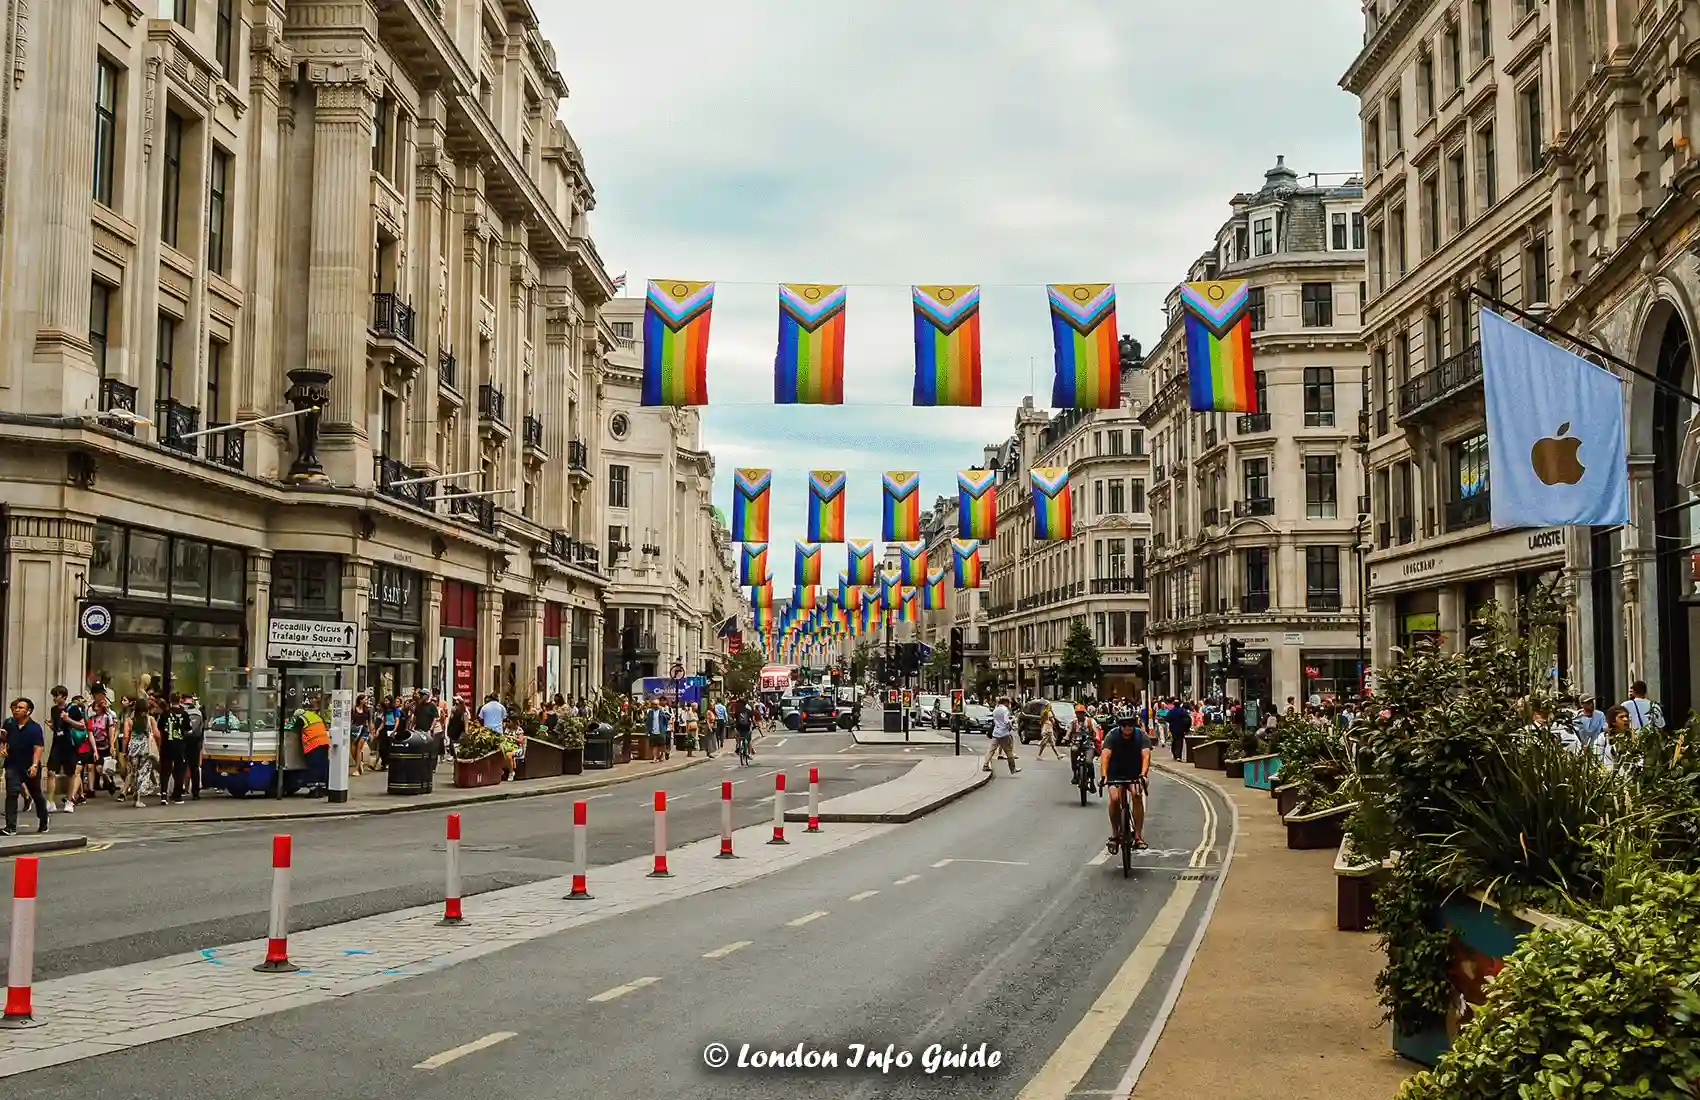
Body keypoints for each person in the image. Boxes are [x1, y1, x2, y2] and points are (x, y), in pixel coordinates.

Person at [1101, 710, 1152, 854]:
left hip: (1134, 772)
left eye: (1130, 724)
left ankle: (1138, 836)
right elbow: (1105, 757)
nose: (1127, 727)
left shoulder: (1141, 736)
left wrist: (1143, 774)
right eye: (1124, 725)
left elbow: (1146, 756)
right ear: (1119, 725)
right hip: (1115, 772)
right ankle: (1115, 834)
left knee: (1137, 795)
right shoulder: (1112, 736)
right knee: (1115, 798)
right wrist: (1104, 775)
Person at [2, 697, 49, 836]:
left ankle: (44, 821)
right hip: (12, 765)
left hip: (29, 766)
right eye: (16, 707)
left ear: (28, 711)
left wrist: (35, 765)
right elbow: (3, 738)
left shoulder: (35, 728)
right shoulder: (9, 724)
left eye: (21, 708)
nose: (17, 709)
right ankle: (10, 827)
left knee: (36, 794)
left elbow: (38, 748)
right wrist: (3, 748)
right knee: (12, 794)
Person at [982, 696, 1019, 776]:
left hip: (996, 733)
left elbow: (995, 721)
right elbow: (1006, 721)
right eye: (1009, 703)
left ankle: (985, 764)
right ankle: (1013, 769)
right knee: (1009, 751)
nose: (1009, 705)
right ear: (1006, 702)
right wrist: (1012, 720)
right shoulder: (1005, 710)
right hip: (1004, 733)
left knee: (991, 750)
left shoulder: (996, 710)